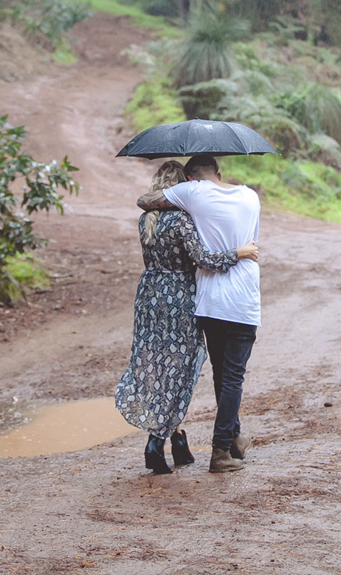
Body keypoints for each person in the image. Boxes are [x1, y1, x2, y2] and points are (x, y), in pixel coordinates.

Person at [116, 160, 259, 475]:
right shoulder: (183, 220)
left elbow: (147, 204)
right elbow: (203, 258)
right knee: (182, 371)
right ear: (183, 187)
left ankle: (178, 440)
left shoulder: (146, 220)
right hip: (181, 296)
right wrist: (240, 252)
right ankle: (158, 440)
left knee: (156, 364)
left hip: (150, 295)